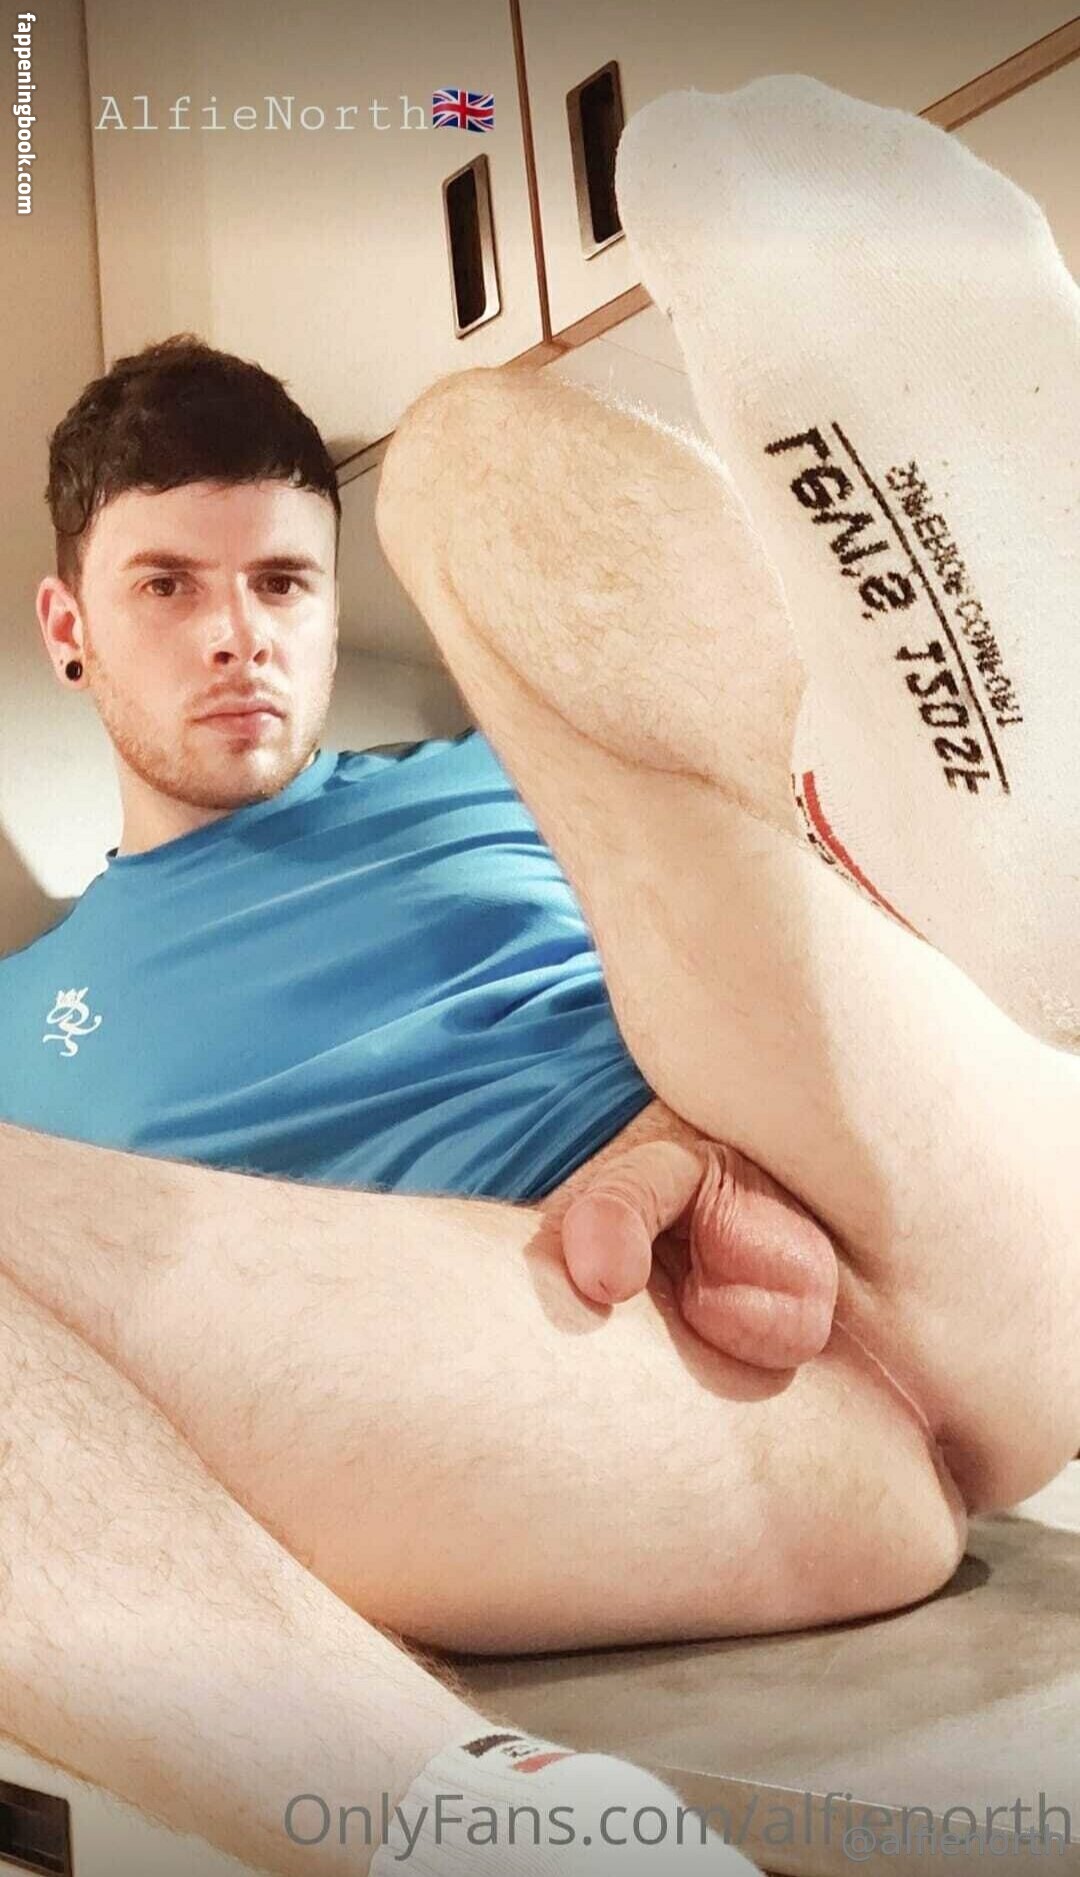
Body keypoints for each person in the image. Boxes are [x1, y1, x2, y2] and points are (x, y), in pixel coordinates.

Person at [0, 70, 1076, 1875]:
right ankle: (502, 1831)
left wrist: (687, 1134)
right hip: (576, 1403)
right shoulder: (27, 1022)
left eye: (283, 584)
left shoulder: (504, 766)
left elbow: (703, 959)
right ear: (69, 627)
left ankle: (968, 831)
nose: (240, 635)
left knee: (465, 455)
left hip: (923, 1180)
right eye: (168, 586)